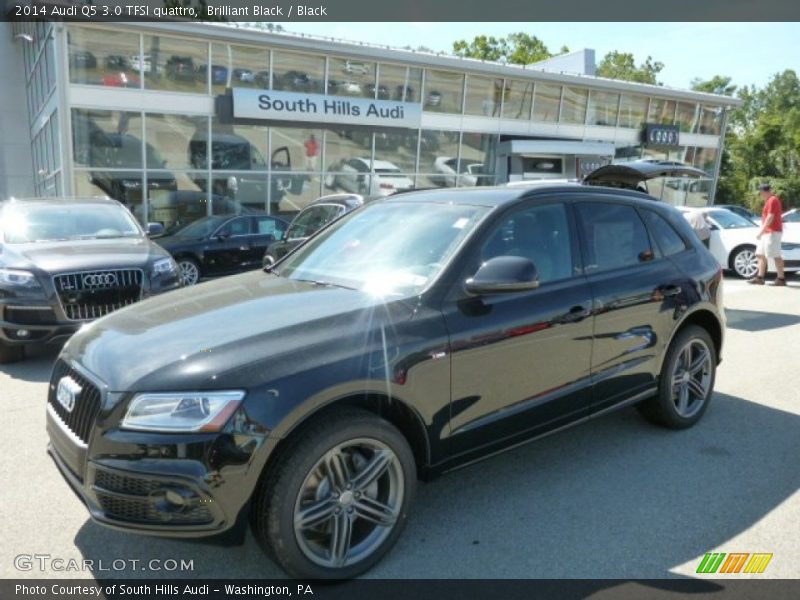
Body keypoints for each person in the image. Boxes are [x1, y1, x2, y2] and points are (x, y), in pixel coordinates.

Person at [748, 183, 785, 286]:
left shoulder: (773, 200)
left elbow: (770, 217)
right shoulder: (769, 201)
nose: (761, 195)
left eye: (761, 192)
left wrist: (761, 231)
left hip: (772, 232)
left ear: (766, 192)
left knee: (775, 255)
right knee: (760, 254)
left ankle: (781, 279)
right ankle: (760, 278)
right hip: (767, 232)